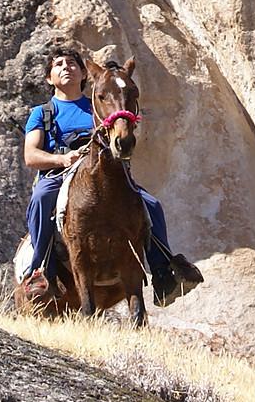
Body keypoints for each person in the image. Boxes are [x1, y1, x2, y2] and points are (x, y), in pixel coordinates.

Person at [21, 45, 203, 306]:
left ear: (85, 74)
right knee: (41, 198)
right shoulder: (43, 113)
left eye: (72, 63)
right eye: (58, 64)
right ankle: (41, 270)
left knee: (151, 204)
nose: (66, 67)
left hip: (104, 174)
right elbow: (31, 155)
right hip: (59, 175)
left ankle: (163, 271)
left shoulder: (100, 103)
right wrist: (61, 158)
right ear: (49, 78)